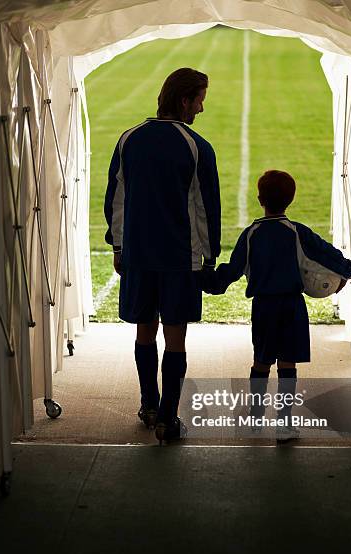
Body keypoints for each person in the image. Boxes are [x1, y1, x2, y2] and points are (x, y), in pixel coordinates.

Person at [103, 68, 221, 444]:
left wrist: (119, 246)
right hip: (178, 260)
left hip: (137, 256)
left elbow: (115, 201)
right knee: (175, 338)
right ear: (184, 100)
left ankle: (149, 404)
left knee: (144, 331)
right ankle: (168, 419)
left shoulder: (128, 140)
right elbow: (206, 208)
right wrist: (210, 256)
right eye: (200, 99)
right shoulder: (197, 146)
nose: (201, 108)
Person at [206, 170, 351, 442]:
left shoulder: (251, 234)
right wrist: (347, 271)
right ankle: (285, 425)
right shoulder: (298, 232)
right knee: (288, 364)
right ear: (292, 199)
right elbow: (326, 253)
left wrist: (208, 282)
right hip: (292, 306)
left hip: (263, 308)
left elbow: (230, 271)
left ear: (259, 198)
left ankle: (254, 419)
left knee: (261, 361)